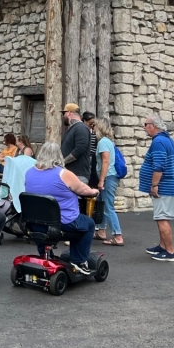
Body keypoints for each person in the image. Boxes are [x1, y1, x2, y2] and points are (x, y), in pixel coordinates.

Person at [24, 142, 101, 275]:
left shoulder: (29, 172)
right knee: (88, 224)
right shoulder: (63, 174)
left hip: (35, 222)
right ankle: (79, 261)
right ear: (59, 155)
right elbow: (83, 189)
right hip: (62, 223)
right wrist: (94, 191)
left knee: (42, 219)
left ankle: (44, 254)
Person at [139, 115, 174, 262]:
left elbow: (159, 165)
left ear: (153, 125)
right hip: (168, 186)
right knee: (160, 217)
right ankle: (163, 247)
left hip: (164, 187)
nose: (144, 127)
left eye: (145, 124)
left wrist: (154, 185)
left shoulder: (158, 141)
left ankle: (170, 252)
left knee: (162, 218)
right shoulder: (167, 140)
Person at [93, 119, 124, 246]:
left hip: (108, 177)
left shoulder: (103, 143)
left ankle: (118, 235)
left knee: (108, 207)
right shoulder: (108, 141)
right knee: (102, 204)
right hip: (110, 176)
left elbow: (105, 161)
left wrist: (101, 180)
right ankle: (101, 230)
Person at [61, 103, 93, 184]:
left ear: (68, 113)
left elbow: (80, 149)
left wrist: (63, 162)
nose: (63, 116)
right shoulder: (73, 129)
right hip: (71, 175)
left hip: (78, 176)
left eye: (63, 113)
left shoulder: (81, 128)